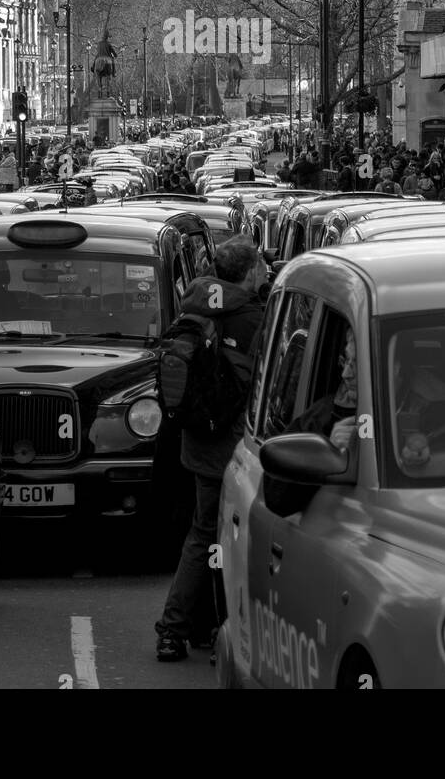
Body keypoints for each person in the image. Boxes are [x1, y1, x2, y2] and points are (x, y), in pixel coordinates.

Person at [156, 237, 268, 664]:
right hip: (237, 445)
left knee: (204, 534)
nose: (264, 271)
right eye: (259, 265)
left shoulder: (195, 307)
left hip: (197, 440)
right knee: (230, 538)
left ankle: (189, 626)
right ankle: (201, 628)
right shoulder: (254, 316)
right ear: (247, 272)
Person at [285, 326, 358, 449]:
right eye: (346, 361)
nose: (345, 374)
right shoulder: (323, 413)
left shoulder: (395, 425)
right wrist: (328, 453)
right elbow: (282, 458)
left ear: (396, 369)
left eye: (357, 364)